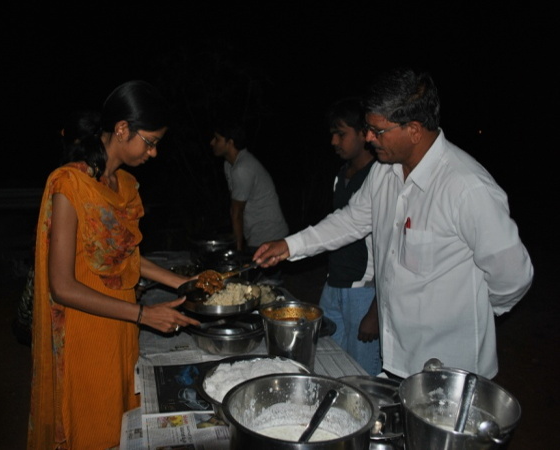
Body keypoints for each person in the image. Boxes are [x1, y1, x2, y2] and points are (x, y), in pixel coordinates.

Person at [253, 67, 533, 380]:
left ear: (414, 130)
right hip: (396, 357)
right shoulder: (385, 172)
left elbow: (513, 275)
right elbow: (352, 220)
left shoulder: (465, 187)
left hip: (451, 370)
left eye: (377, 130)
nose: (369, 138)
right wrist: (290, 246)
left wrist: (474, 312)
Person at [28, 80, 200, 449]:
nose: (153, 153)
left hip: (121, 330)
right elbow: (61, 286)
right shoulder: (69, 185)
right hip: (88, 333)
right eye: (150, 142)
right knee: (94, 432)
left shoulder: (123, 185)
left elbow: (125, 256)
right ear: (123, 129)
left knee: (121, 431)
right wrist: (143, 314)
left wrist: (182, 283)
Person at [318, 97, 381, 376]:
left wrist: (376, 310)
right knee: (329, 363)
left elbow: (388, 249)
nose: (334, 141)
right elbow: (336, 230)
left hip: (363, 290)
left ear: (363, 133)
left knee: (363, 375)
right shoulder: (341, 175)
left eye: (341, 134)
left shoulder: (379, 178)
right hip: (334, 285)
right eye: (333, 133)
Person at [210, 120, 289, 283]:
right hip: (256, 234)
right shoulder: (229, 165)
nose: (212, 142)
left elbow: (236, 212)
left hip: (268, 236)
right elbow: (236, 206)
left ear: (229, 142)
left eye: (217, 139)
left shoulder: (242, 168)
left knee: (266, 289)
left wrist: (238, 253)